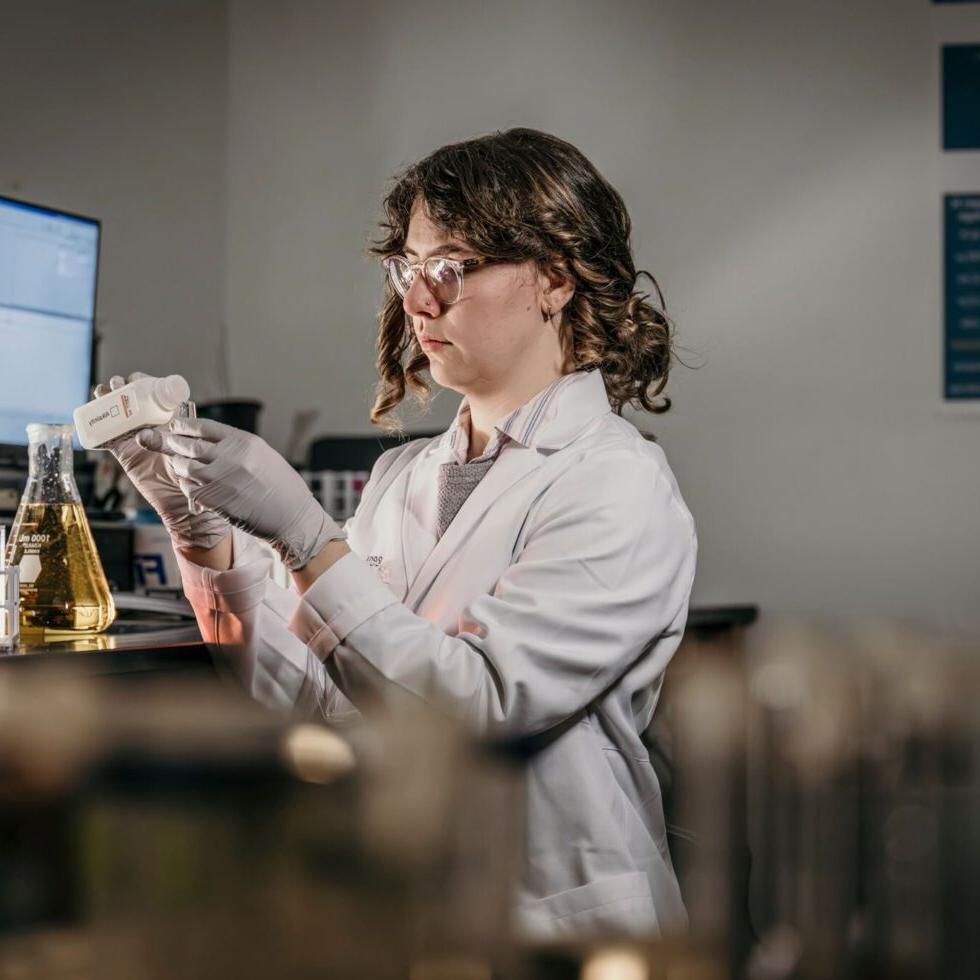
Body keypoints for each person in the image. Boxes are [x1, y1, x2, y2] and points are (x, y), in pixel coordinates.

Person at [100, 128, 697, 939]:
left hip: (554, 928)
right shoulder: (402, 477)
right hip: (405, 911)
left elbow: (479, 705)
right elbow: (317, 700)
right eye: (407, 270)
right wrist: (203, 534)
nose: (417, 302)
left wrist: (310, 543)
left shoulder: (615, 482)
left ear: (556, 277)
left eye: (449, 267)